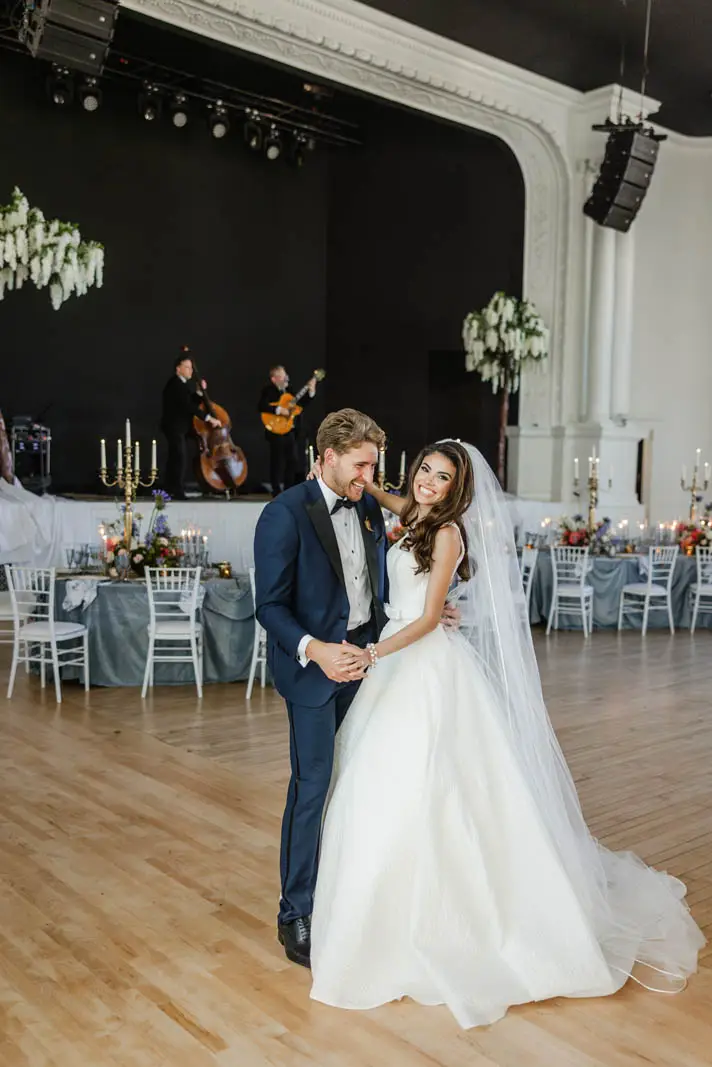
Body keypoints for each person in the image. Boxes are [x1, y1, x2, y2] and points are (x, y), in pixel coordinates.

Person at [308, 441, 704, 1030]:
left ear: (456, 490)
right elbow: (388, 497)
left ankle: (453, 923)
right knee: (376, 784)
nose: (427, 483)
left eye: (441, 478)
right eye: (424, 471)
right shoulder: (414, 514)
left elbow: (423, 619)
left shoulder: (446, 536)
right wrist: (353, 478)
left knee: (437, 788)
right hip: (395, 667)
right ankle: (371, 916)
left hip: (419, 660)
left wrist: (372, 652)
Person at [253, 409, 456, 970]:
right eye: (362, 463)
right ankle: (296, 910)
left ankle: (352, 896)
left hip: (374, 666)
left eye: (374, 463)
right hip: (315, 672)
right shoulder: (283, 514)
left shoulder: (367, 504)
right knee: (313, 785)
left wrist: (429, 611)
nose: (371, 475)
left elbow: (380, 579)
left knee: (364, 782)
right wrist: (316, 650)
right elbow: (269, 605)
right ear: (328, 458)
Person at [160, 349, 218, 500]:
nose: (191, 370)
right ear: (178, 369)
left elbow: (189, 402)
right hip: (174, 427)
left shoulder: (181, 384)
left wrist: (199, 394)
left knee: (176, 457)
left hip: (179, 427)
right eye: (187, 367)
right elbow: (188, 406)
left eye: (191, 367)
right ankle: (176, 490)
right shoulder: (175, 384)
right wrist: (208, 418)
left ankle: (170, 488)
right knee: (179, 457)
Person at [257, 365, 317, 496]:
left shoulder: (289, 390)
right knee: (277, 461)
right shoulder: (268, 391)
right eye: (282, 375)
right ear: (274, 379)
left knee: (292, 460)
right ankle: (276, 489)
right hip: (275, 432)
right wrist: (279, 410)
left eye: (285, 375)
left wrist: (311, 391)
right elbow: (262, 405)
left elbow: (299, 406)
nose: (286, 378)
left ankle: (289, 490)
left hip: (289, 430)